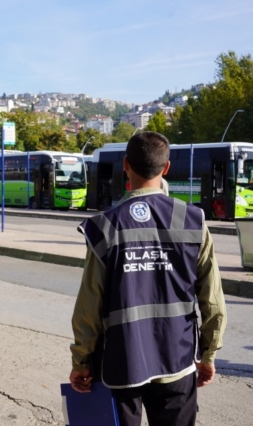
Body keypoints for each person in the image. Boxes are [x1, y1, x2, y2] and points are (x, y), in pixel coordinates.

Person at [69, 132, 226, 426]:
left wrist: (81, 361)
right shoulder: (192, 221)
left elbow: (89, 306)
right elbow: (212, 299)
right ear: (166, 168)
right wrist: (209, 353)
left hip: (120, 363)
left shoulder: (105, 227)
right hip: (176, 361)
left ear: (125, 165)